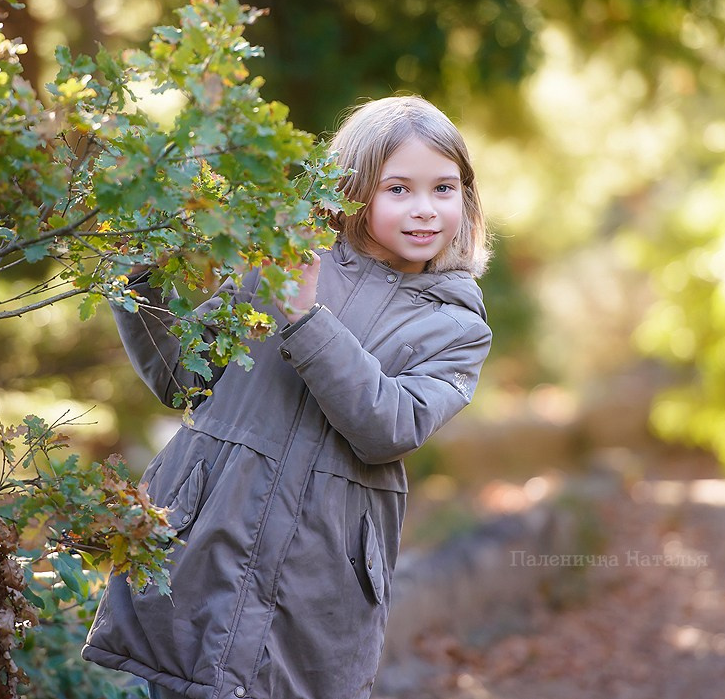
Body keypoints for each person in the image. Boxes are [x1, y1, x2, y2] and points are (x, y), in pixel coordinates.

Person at [82, 95, 493, 699]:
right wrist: (136, 271)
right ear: (351, 189)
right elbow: (181, 376)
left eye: (444, 189)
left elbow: (389, 427)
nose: (425, 210)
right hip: (205, 547)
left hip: (316, 581)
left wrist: (307, 319)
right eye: (398, 189)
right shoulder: (281, 262)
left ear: (467, 197)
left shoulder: (455, 327)